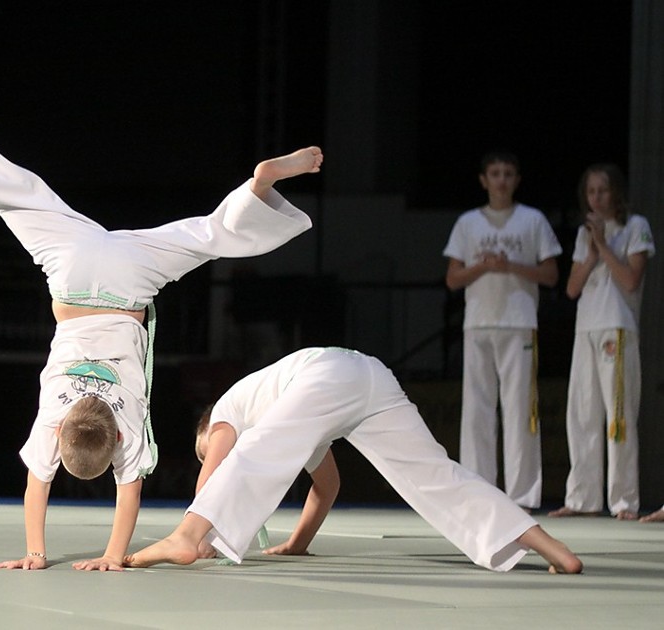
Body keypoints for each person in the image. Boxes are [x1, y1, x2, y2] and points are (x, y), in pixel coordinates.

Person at [0, 67, 323, 571]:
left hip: (131, 278)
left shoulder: (125, 424)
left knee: (207, 237)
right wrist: (34, 550)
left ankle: (259, 187)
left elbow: (129, 491)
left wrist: (115, 555)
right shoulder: (54, 420)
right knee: (17, 194)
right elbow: (36, 486)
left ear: (115, 439)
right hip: (73, 267)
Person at [124, 347, 583, 574]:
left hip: (328, 373)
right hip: (369, 378)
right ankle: (551, 549)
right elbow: (327, 487)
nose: (214, 451)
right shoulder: (299, 421)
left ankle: (183, 536)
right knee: (437, 475)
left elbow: (217, 468)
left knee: (255, 450)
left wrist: (195, 535)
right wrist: (298, 542)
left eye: (210, 445)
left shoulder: (226, 412)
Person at [443, 152, 562, 511]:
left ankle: (521, 497)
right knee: (477, 409)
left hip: (519, 322)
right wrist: (484, 266)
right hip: (478, 322)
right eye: (495, 174)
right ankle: (478, 491)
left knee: (519, 409)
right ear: (484, 180)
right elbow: (452, 278)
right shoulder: (468, 223)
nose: (501, 180)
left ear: (516, 179)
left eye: (508, 174)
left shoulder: (532, 220)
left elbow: (552, 274)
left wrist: (510, 265)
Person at [549, 164, 655, 521]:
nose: (596, 197)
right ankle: (582, 498)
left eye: (603, 190)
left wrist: (604, 245)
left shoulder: (635, 226)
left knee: (619, 417)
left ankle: (624, 500)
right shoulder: (585, 235)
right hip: (586, 328)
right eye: (591, 191)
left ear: (616, 193)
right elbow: (571, 288)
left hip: (617, 327)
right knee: (581, 414)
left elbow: (630, 279)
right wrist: (592, 248)